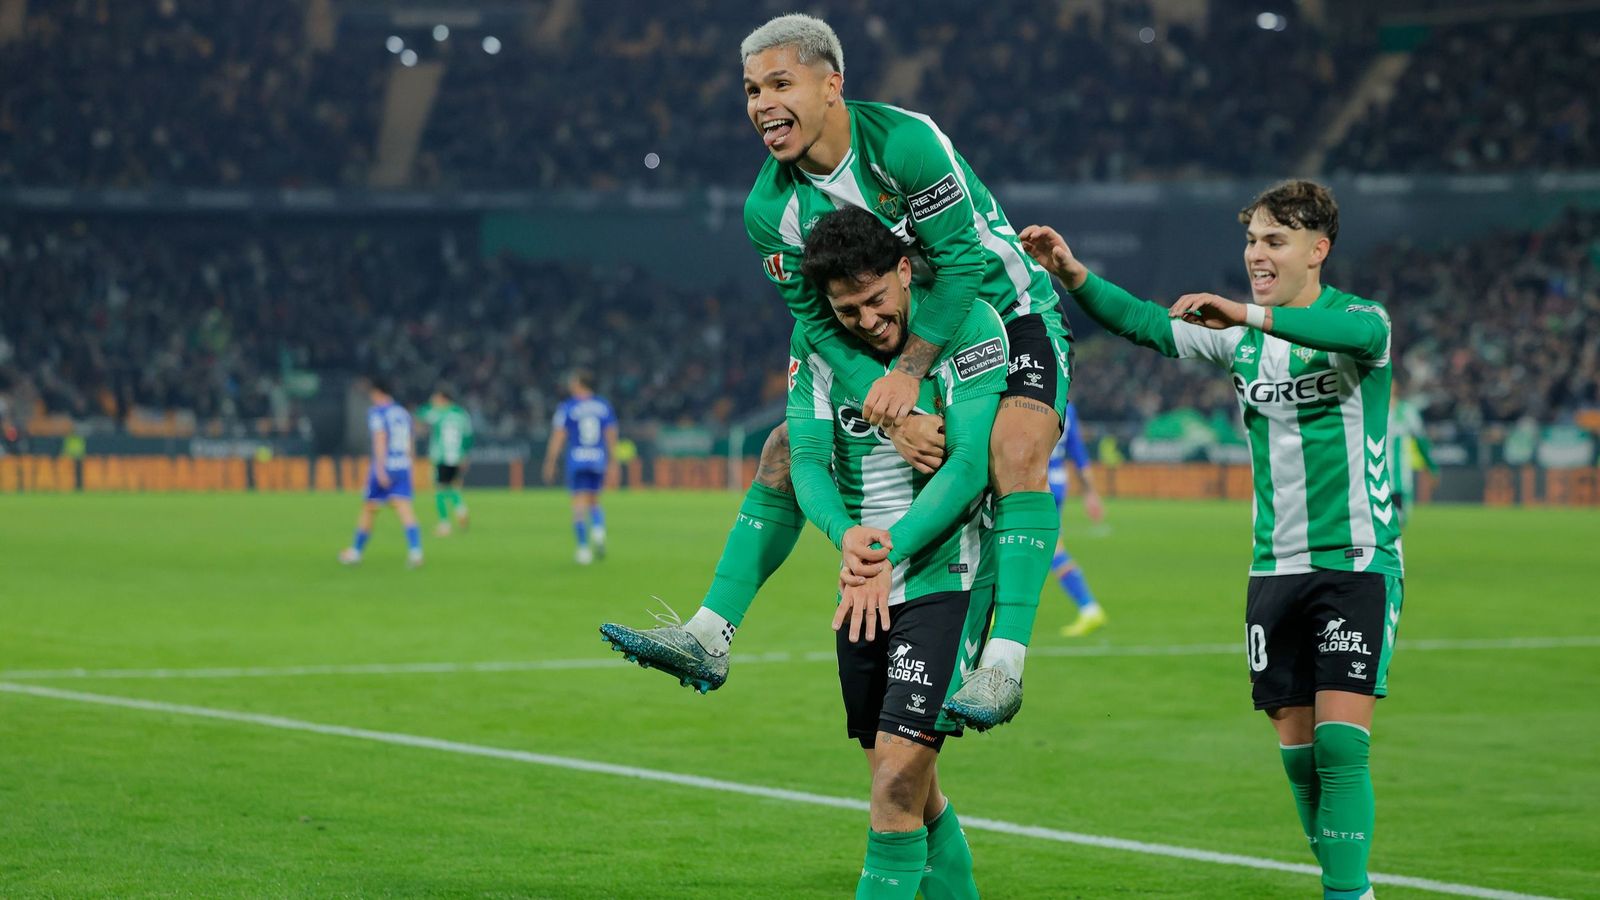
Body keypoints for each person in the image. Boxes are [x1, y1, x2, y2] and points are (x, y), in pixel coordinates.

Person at [603, 14, 1071, 730]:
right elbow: (820, 325)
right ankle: (708, 632)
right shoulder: (770, 209)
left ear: (833, 85)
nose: (761, 103)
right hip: (891, 323)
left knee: (1011, 450)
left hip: (1005, 309)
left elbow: (966, 266)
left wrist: (909, 378)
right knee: (785, 453)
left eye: (780, 83)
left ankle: (1002, 663)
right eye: (752, 89)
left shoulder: (905, 145)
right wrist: (893, 412)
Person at [1019, 179, 1400, 900]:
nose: (1257, 253)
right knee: (1297, 758)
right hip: (1273, 569)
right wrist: (1072, 274)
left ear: (1318, 251)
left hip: (1358, 562)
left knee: (1341, 745)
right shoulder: (1239, 342)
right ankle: (1353, 885)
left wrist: (1248, 314)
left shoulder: (1359, 321)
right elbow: (1144, 324)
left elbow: (1362, 339)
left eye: (1274, 241)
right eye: (1252, 240)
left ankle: (1346, 894)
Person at [790, 208, 1000, 899]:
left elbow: (968, 467)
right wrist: (845, 535)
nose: (867, 320)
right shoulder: (815, 343)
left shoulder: (968, 326)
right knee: (908, 782)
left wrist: (884, 552)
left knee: (895, 785)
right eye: (847, 310)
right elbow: (809, 459)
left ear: (905, 271)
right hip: (864, 586)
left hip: (947, 574)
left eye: (877, 300)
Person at [339, 377, 423, 568]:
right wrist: (410, 466)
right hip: (402, 464)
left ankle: (356, 552)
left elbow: (380, 439)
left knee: (369, 508)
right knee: (404, 508)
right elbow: (410, 442)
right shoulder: (403, 413)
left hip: (385, 464)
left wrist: (380, 469)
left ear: (377, 393)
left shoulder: (378, 413)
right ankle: (416, 552)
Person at [543, 370, 618, 565]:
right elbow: (610, 434)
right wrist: (613, 461)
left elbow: (559, 435)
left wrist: (550, 461)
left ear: (579, 383)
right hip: (598, 458)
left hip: (577, 458)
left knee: (578, 505)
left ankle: (584, 549)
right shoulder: (603, 405)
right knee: (594, 500)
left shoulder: (568, 407)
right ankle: (599, 533)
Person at [1048, 402, 1110, 637]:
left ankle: (1089, 607)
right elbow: (1079, 453)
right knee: (1050, 549)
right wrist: (1090, 493)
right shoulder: (1068, 407)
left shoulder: (1030, 394)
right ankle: (1089, 608)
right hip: (1058, 481)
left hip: (1036, 481)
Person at [419, 388, 474, 537]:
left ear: (443, 399)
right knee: (451, 486)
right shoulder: (462, 414)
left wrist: (429, 406)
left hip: (441, 456)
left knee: (439, 490)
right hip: (457, 456)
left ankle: (445, 524)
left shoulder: (439, 414)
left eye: (436, 399)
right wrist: (465, 455)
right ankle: (461, 509)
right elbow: (468, 436)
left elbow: (421, 414)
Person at [1387, 381, 1437, 529]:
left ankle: (1396, 549)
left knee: (1401, 518)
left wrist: (1431, 466)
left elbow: (1421, 440)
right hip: (1374, 471)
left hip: (1400, 472)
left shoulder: (1408, 411)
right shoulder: (1372, 408)